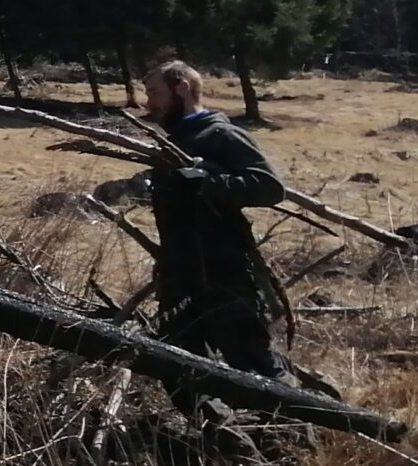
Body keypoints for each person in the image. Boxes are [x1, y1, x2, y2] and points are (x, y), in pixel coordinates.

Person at [141, 60, 290, 427]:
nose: (149, 102)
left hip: (224, 273)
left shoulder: (220, 134)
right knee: (178, 365)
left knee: (254, 365)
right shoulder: (170, 142)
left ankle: (301, 431)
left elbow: (270, 187)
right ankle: (224, 439)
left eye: (155, 93)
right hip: (181, 277)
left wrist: (210, 180)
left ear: (182, 89)